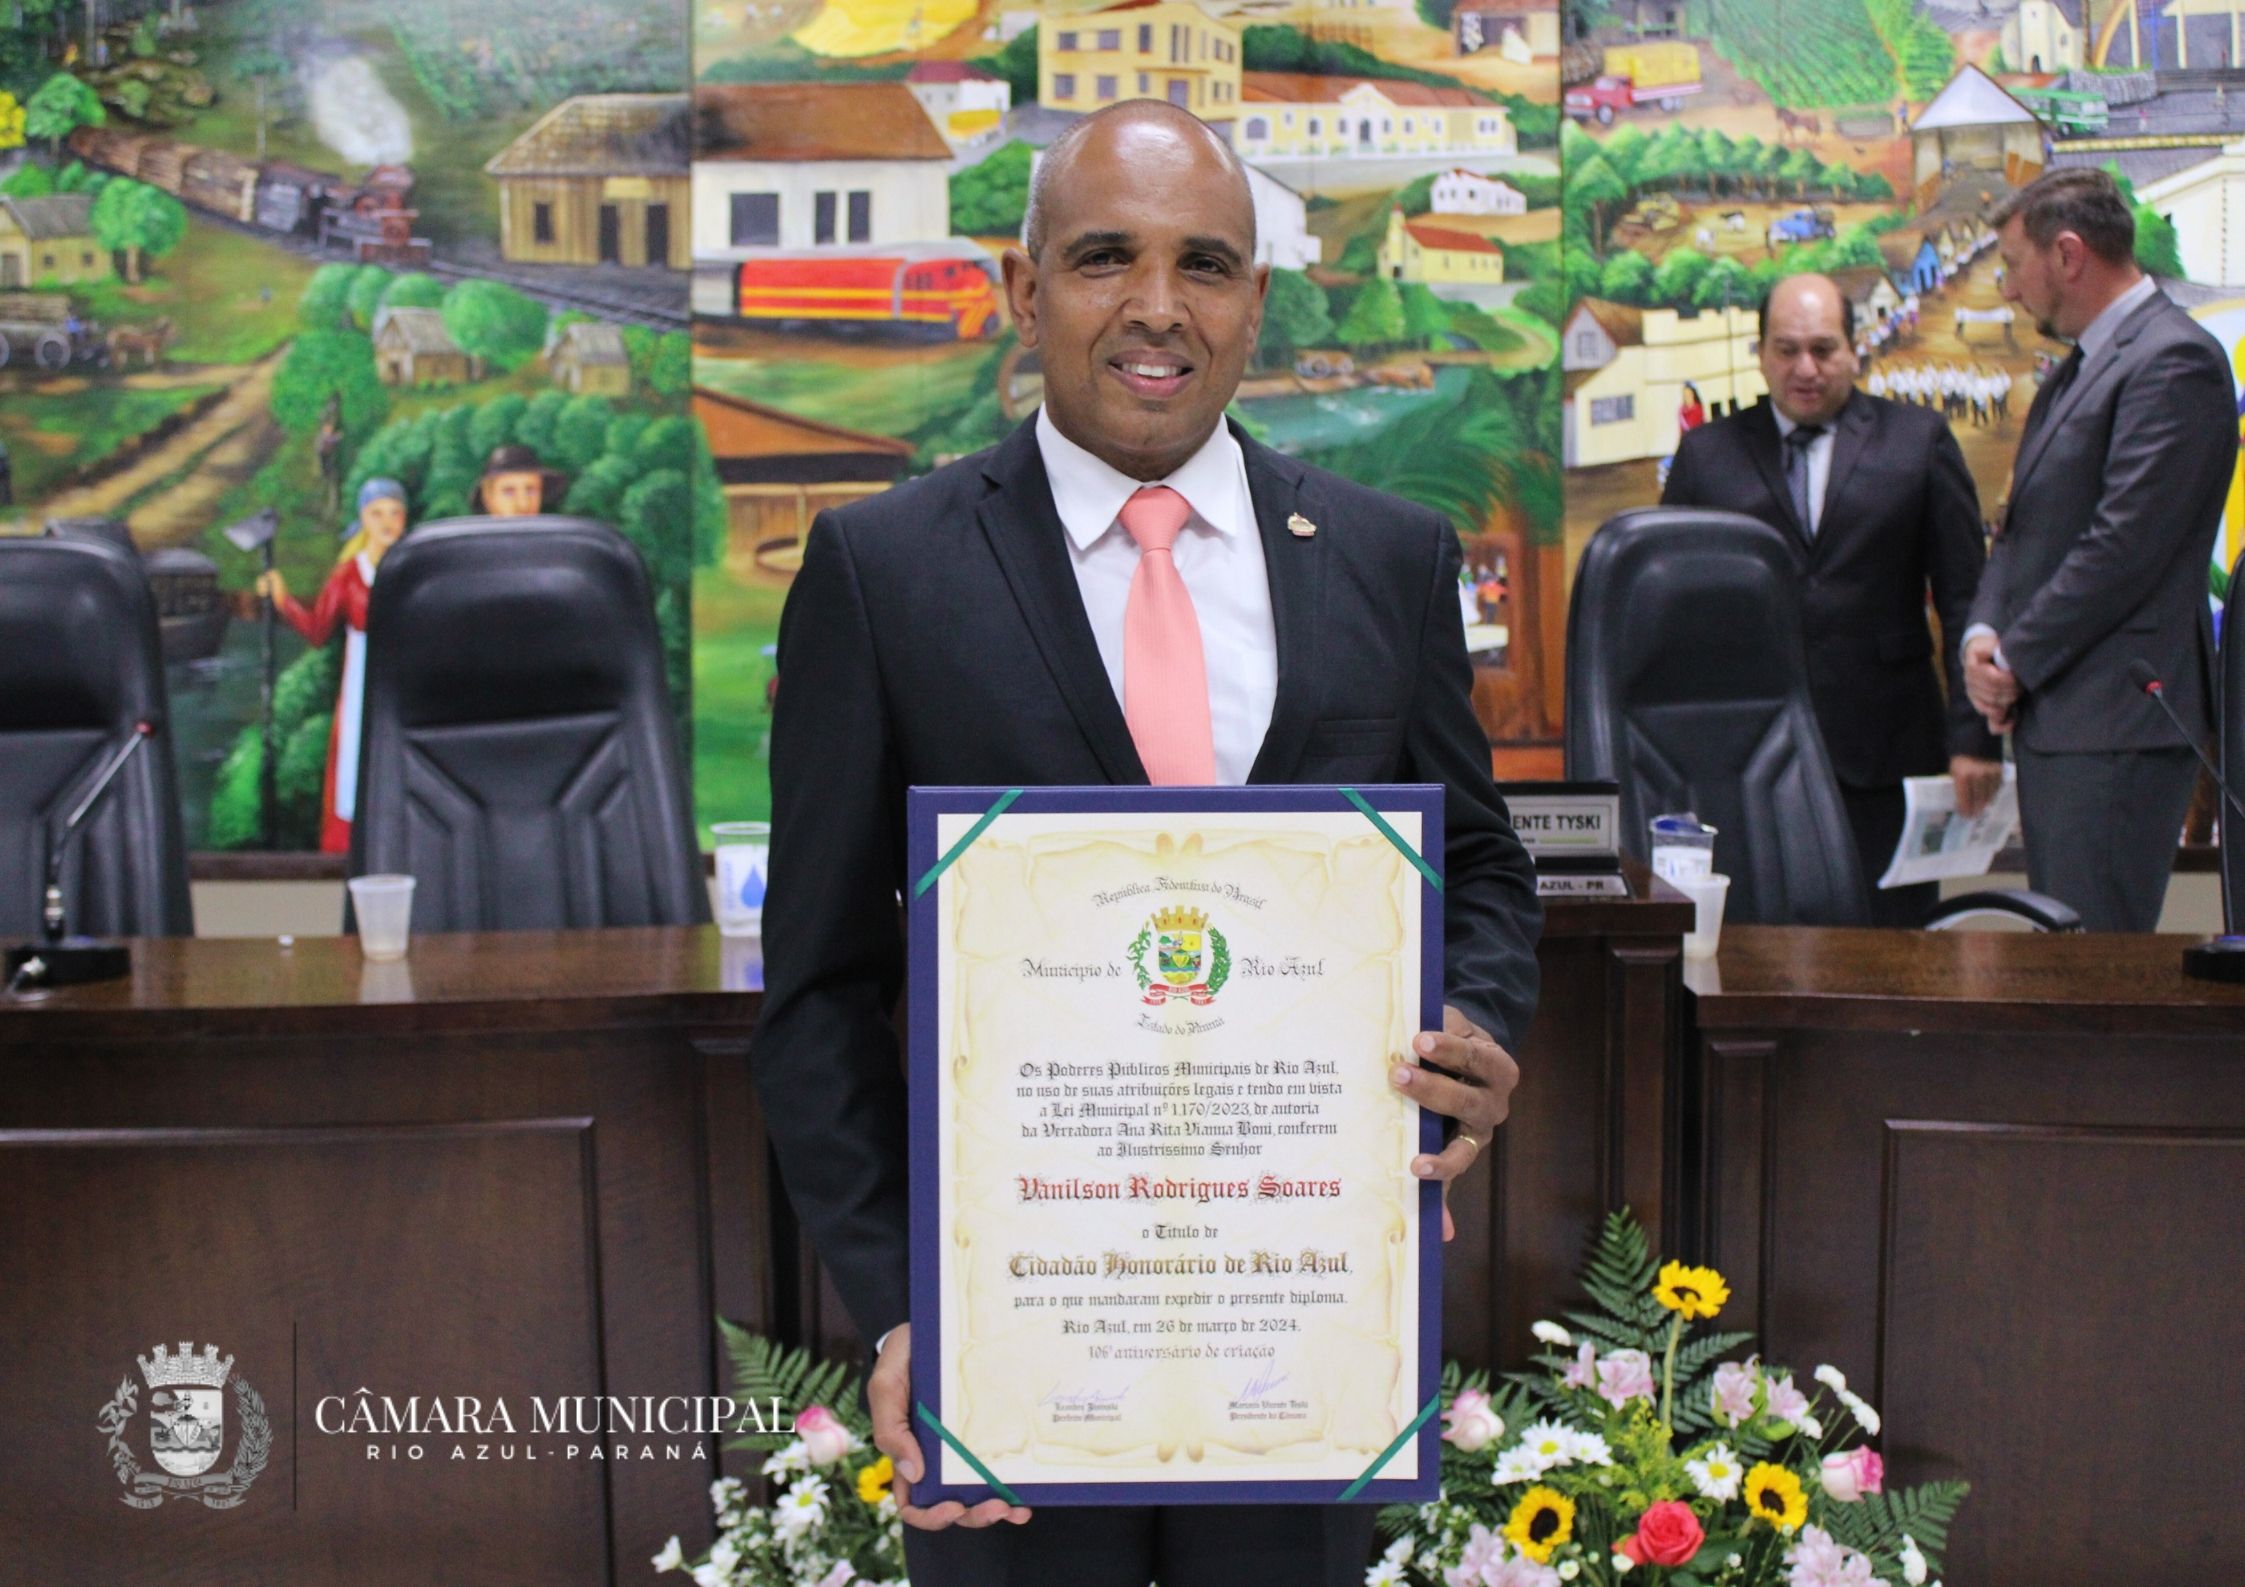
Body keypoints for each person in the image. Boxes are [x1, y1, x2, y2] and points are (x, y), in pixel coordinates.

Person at [754, 100, 1542, 1587]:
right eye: (1106, 256)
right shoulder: (883, 570)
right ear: (1024, 286)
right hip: (1016, 1336)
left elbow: (1480, 864)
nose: (1156, 307)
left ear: (1256, 298)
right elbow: (818, 985)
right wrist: (903, 1308)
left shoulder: (1384, 556)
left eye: (1206, 263)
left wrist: (1478, 1022)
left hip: (1296, 1326)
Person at [1662, 273, 2003, 924]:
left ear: (1855, 350)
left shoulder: (1918, 441)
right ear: (1759, 353)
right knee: (1757, 961)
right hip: (1744, 756)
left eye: (1823, 348)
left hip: (1885, 752)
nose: (1805, 368)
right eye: (1785, 349)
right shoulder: (1707, 456)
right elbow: (1676, 620)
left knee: (1887, 959)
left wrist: (1975, 739)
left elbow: (1966, 599)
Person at [1964, 168, 2237, 931]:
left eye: (2014, 267)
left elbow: (2122, 546)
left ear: (2068, 254)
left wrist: (2014, 657)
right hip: (2064, 721)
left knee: (2094, 979)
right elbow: (2018, 529)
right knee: (2065, 967)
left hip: (2117, 724)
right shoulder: (2074, 371)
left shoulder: (2171, 361)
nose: (2011, 292)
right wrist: (1983, 637)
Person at [256, 479, 412, 855]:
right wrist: (282, 600)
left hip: (407, 677)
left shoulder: (414, 570)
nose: (387, 522)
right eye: (377, 514)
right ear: (363, 519)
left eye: (394, 513)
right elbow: (317, 630)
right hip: (362, 678)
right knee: (353, 766)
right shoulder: (347, 575)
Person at [469, 444, 565, 517]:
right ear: (488, 497)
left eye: (531, 491)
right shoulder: (468, 542)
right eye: (509, 492)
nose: (523, 505)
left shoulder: (560, 541)